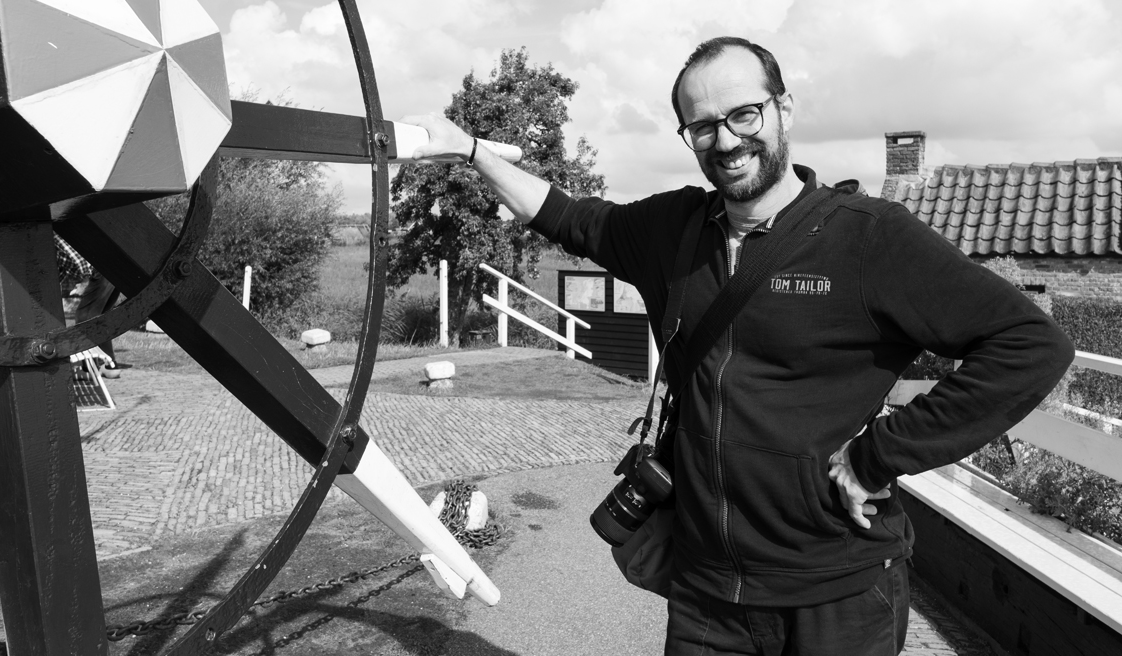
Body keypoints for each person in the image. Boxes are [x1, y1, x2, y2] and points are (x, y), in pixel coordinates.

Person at [411, 36, 1074, 655]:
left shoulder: (869, 237)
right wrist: (471, 151)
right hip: (706, 594)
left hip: (837, 592)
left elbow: (1028, 344)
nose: (726, 140)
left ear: (784, 108)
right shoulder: (673, 230)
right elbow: (566, 216)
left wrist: (879, 455)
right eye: (702, 126)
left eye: (744, 115)